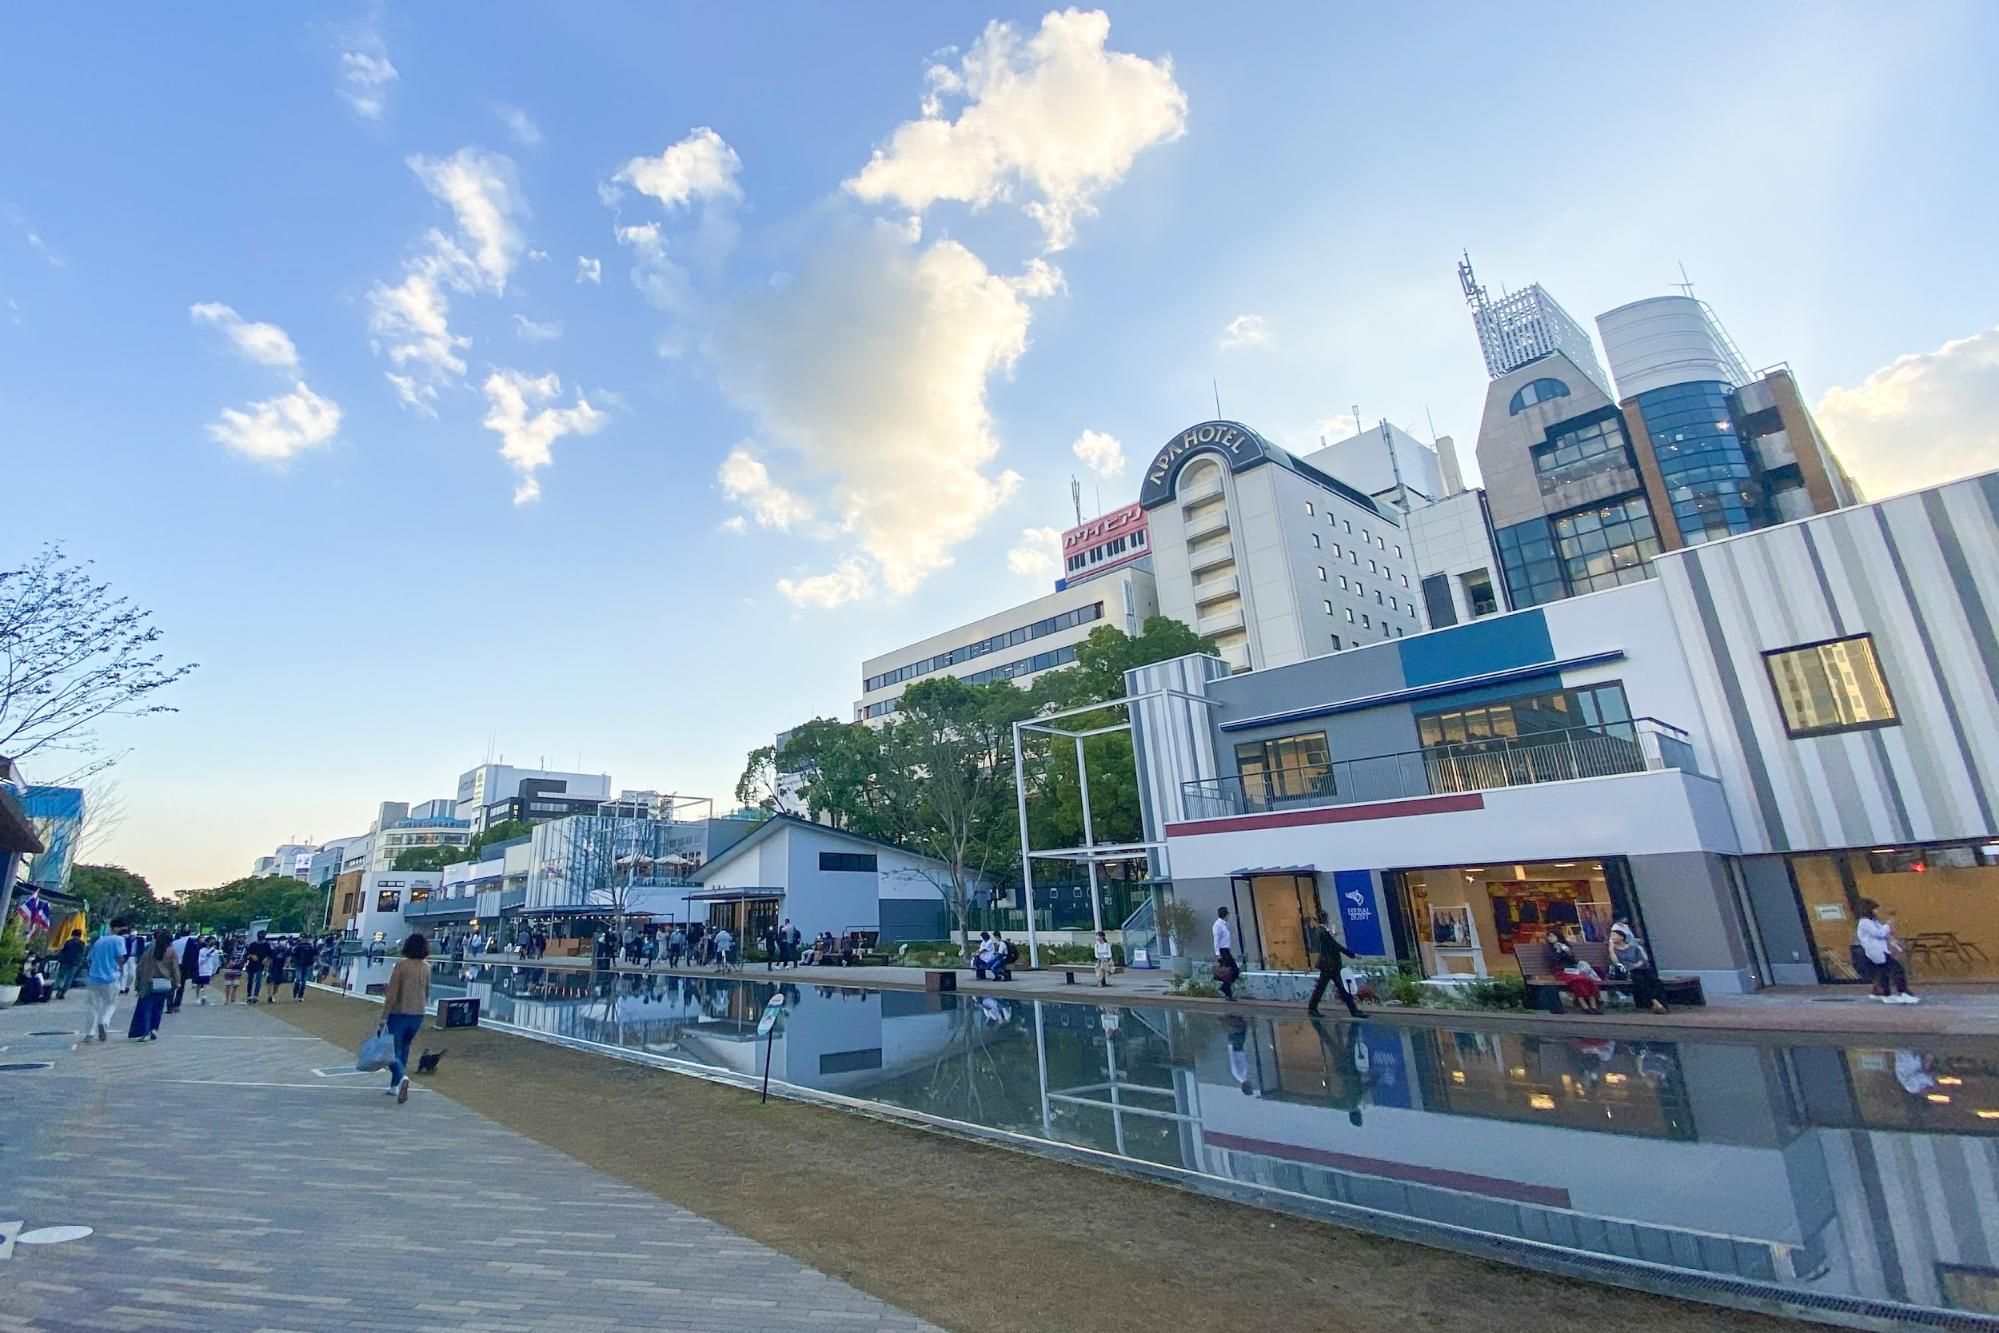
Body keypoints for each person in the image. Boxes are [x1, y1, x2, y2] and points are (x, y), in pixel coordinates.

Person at [381, 933, 431, 1104]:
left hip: (400, 1012)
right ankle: (394, 1085)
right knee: (404, 1048)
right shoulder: (426, 967)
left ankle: (401, 1078)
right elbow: (427, 991)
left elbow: (392, 993)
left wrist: (384, 1014)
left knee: (391, 1051)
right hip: (418, 1013)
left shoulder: (401, 966)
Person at [1857, 900, 1917, 1004]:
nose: (1876, 911)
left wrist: (1891, 938)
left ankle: (1882, 992)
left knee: (1882, 971)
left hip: (1880, 950)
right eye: (1875, 909)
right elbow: (1879, 933)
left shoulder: (1872, 922)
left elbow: (1883, 932)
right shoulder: (1864, 922)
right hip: (1876, 951)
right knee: (1897, 969)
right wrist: (1888, 925)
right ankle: (1903, 992)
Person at [1305, 916, 1364, 1018]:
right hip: (1329, 965)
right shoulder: (1322, 931)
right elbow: (1335, 946)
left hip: (1330, 965)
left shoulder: (1324, 931)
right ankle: (1312, 1008)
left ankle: (1354, 1010)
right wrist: (1352, 955)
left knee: (1329, 987)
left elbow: (1332, 945)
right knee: (1331, 987)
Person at [83, 920, 131, 1042]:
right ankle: (103, 1022)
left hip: (94, 977)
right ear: (117, 928)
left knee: (93, 1006)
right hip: (111, 978)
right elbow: (120, 957)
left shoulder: (99, 940)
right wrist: (120, 968)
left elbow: (89, 958)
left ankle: (90, 1033)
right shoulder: (119, 940)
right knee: (110, 1003)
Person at [128, 929, 179, 1040]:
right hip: (163, 983)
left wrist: (138, 982)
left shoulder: (149, 950)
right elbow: (175, 968)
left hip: (148, 981)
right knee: (158, 1007)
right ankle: (154, 1029)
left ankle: (145, 1030)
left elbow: (140, 966)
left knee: (146, 1007)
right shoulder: (171, 951)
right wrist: (177, 982)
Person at [1607, 922, 1667, 1015]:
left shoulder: (1633, 947)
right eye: (1612, 936)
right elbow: (1616, 963)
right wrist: (1611, 949)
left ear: (1622, 937)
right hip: (1626, 971)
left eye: (1614, 935)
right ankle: (1654, 1002)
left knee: (1654, 980)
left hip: (1639, 968)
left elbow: (1642, 960)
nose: (1612, 937)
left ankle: (1661, 1003)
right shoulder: (1614, 950)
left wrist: (1635, 965)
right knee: (1640, 980)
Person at [1545, 925, 1603, 1014]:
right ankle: (1584, 1006)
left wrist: (1566, 951)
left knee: (1587, 979)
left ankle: (1593, 1006)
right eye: (1549, 936)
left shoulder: (1566, 946)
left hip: (1572, 970)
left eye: (1553, 936)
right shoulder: (1549, 950)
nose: (1551, 938)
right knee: (1577, 980)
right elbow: (1553, 962)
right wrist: (1558, 951)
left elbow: (1573, 961)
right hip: (1560, 972)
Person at [169, 928, 200, 1013]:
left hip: (173, 965)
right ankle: (177, 1005)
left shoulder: (174, 943)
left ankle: (169, 1004)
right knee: (181, 986)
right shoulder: (191, 943)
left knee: (172, 986)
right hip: (184, 966)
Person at [1212, 907, 1239, 1001]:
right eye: (1228, 914)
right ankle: (1225, 989)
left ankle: (1227, 991)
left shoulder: (1224, 925)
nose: (1229, 916)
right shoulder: (1218, 925)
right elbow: (1216, 940)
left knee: (1229, 972)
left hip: (1226, 950)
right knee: (1233, 970)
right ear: (1225, 915)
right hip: (1222, 951)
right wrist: (1217, 954)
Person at [54, 929, 87, 1000]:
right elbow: (82, 954)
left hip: (65, 961)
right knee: (69, 978)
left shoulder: (68, 942)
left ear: (72, 934)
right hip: (75, 963)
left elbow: (63, 951)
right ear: (80, 935)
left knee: (62, 976)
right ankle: (63, 992)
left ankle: (59, 989)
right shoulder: (82, 943)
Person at [243, 930, 272, 1004]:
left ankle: (255, 996)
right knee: (250, 980)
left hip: (260, 964)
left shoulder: (266, 945)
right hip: (252, 964)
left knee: (258, 981)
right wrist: (252, 956)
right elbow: (247, 954)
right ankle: (249, 995)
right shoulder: (253, 944)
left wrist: (266, 959)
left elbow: (269, 955)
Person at [195, 937, 221, 1005]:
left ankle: (204, 997)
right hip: (201, 969)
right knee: (199, 984)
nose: (212, 943)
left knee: (206, 984)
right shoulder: (201, 950)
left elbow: (216, 962)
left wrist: (215, 971)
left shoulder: (215, 952)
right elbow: (200, 961)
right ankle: (197, 997)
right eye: (210, 941)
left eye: (213, 941)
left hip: (209, 970)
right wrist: (207, 956)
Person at [291, 935, 318, 1001]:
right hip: (301, 965)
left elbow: (315, 954)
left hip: (306, 965)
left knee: (303, 981)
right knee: (299, 980)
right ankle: (296, 995)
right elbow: (294, 955)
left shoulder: (310, 946)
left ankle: (299, 995)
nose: (306, 940)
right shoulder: (299, 946)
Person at [221, 937, 245, 1004]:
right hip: (229, 967)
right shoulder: (231, 948)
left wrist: (240, 963)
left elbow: (244, 958)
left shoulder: (245, 949)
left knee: (236, 983)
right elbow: (227, 956)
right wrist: (228, 963)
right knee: (228, 984)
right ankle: (227, 999)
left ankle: (233, 993)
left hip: (238, 968)